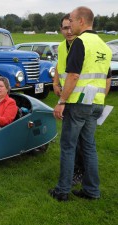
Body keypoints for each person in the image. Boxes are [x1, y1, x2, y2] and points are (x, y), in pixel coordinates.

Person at [49, 6, 112, 201]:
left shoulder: (80, 42)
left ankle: (62, 191)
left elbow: (74, 76)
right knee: (89, 147)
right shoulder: (104, 46)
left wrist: (61, 102)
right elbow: (106, 78)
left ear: (81, 22)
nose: (70, 26)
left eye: (73, 22)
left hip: (78, 103)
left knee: (68, 145)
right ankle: (92, 190)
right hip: (97, 104)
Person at [53, 14, 85, 186]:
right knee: (73, 137)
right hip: (67, 96)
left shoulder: (82, 45)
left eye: (70, 27)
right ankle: (77, 171)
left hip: (79, 98)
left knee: (77, 138)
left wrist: (62, 101)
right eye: (65, 28)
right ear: (61, 30)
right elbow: (59, 66)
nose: (68, 31)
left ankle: (78, 171)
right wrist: (55, 82)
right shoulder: (61, 46)